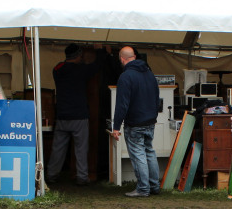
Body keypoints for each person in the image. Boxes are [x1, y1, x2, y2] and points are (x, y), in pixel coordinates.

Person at [110, 47, 162, 197]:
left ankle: (143, 189)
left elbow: (122, 104)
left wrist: (116, 126)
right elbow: (156, 98)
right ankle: (154, 186)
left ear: (122, 58)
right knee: (149, 151)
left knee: (138, 153)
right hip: (150, 121)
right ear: (134, 56)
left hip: (135, 122)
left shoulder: (126, 77)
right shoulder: (149, 73)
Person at [46, 44, 101, 186]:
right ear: (78, 55)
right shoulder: (82, 70)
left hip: (62, 115)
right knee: (81, 149)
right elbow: (97, 66)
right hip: (79, 115)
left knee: (58, 148)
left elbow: (62, 68)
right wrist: (100, 51)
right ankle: (82, 177)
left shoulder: (57, 69)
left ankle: (51, 174)